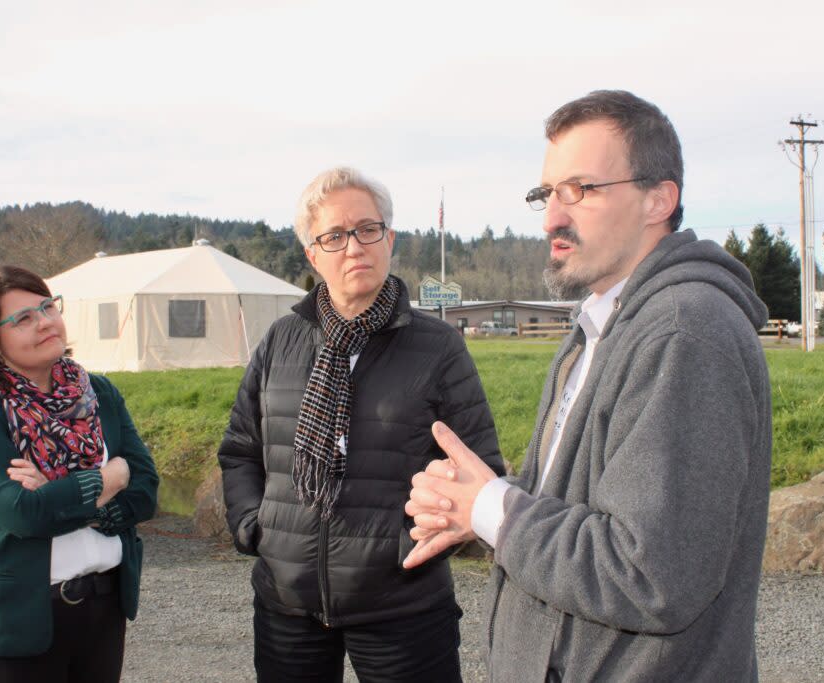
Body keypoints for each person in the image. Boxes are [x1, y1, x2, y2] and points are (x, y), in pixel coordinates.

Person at [404, 91, 772, 681]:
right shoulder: (601, 324)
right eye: (546, 193)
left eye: (580, 189)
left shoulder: (683, 333)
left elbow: (653, 573)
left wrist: (493, 507)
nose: (553, 215)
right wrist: (472, 512)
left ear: (659, 198)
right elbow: (581, 507)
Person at [218, 166, 504, 682]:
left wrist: (403, 548)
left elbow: (478, 472)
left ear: (389, 239)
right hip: (288, 606)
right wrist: (255, 529)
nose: (354, 247)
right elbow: (240, 449)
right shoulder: (280, 342)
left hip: (402, 608)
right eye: (334, 236)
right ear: (313, 254)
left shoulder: (437, 348)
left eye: (367, 229)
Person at [0, 265, 159, 683]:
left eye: (47, 307)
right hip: (9, 618)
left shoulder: (97, 392)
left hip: (102, 609)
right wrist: (109, 479)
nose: (46, 322)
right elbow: (23, 515)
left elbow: (145, 491)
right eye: (23, 319)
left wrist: (57, 494)